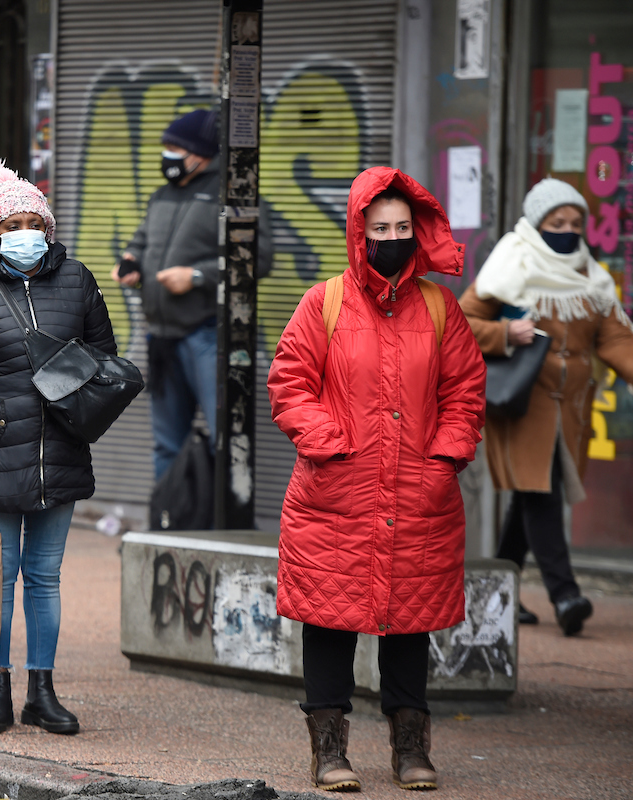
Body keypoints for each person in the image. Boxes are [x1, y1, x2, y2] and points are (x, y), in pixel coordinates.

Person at [267, 167, 486, 792]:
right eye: (379, 227)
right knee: (330, 621)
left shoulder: (442, 309)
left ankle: (410, 748)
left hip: (420, 491)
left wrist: (443, 459)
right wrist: (329, 445)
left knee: (409, 622)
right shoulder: (325, 301)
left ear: (418, 233)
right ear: (358, 233)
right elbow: (290, 382)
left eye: (402, 227)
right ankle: (328, 750)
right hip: (336, 491)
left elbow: (465, 391)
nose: (391, 237)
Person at [0, 162, 117, 736]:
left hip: (60, 451)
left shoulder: (78, 281)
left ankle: (42, 691)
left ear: (49, 226)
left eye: (33, 221)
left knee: (45, 576)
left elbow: (106, 360)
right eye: (11, 223)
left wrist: (72, 382)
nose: (24, 232)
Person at [459, 178, 633, 637]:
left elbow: (614, 338)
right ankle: (565, 593)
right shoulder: (510, 265)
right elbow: (461, 323)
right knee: (541, 491)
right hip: (521, 403)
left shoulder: (589, 278)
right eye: (557, 222)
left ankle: (496, 594)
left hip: (569, 410)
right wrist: (504, 335)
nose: (568, 230)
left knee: (530, 495)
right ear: (537, 225)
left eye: (576, 222)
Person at [109, 109, 220, 480]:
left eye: (175, 147)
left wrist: (198, 275)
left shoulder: (229, 195)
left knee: (226, 438)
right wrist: (130, 261)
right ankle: (169, 523)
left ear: (200, 152)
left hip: (206, 334)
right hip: (162, 337)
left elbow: (258, 257)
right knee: (167, 444)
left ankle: (222, 526)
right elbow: (141, 240)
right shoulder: (162, 196)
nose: (167, 154)